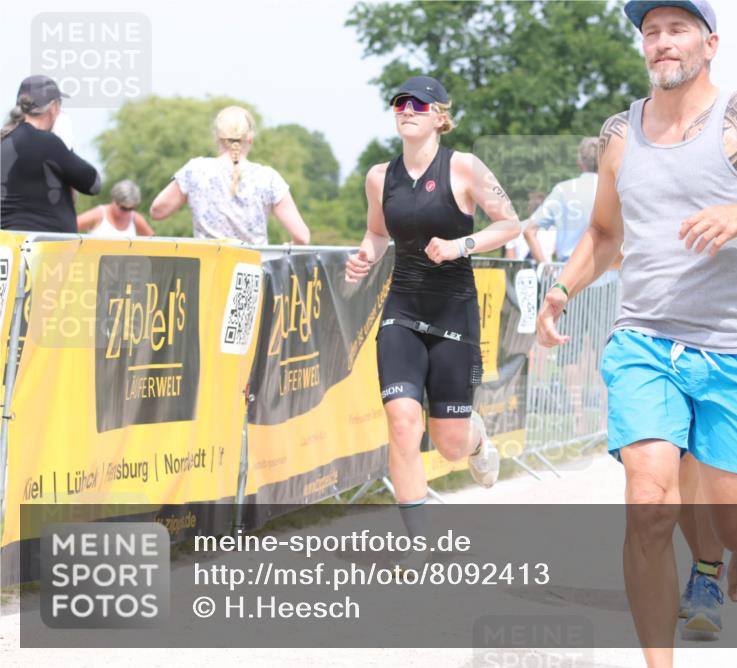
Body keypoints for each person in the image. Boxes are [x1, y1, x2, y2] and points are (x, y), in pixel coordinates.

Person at [537, 2, 737, 662]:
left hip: (734, 347)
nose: (662, 41)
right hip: (644, 341)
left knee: (734, 525)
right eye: (651, 31)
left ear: (710, 44)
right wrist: (560, 290)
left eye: (677, 29)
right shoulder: (620, 133)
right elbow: (604, 233)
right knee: (649, 505)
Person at [343, 76, 519, 544]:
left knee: (450, 444)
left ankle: (475, 438)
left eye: (418, 104)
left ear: (440, 116)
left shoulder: (465, 168)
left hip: (453, 313)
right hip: (402, 309)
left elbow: (510, 224)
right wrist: (365, 256)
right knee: (403, 422)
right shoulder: (379, 177)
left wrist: (462, 245)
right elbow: (377, 233)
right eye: (399, 103)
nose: (406, 109)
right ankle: (417, 542)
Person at [150, 106, 309, 245]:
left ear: (216, 137)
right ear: (250, 138)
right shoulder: (269, 178)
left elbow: (157, 211)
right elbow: (302, 237)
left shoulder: (195, 170)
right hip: (253, 266)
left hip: (207, 266)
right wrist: (291, 245)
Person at [1, 75, 101, 232]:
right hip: (45, 243)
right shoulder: (49, 144)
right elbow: (93, 184)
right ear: (54, 107)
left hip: (7, 241)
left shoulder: (4, 140)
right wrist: (67, 145)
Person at [522, 137, 600, 263]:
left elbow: (529, 231)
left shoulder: (562, 190)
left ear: (579, 164)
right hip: (608, 270)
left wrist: (546, 268)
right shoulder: (614, 190)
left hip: (568, 269)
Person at [77, 179, 154, 237]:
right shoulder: (98, 215)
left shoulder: (135, 218)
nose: (126, 213)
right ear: (114, 200)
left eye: (130, 209)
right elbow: (71, 227)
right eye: (123, 208)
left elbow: (154, 242)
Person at [505, 191, 556, 261]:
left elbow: (510, 258)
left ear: (529, 208)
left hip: (521, 268)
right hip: (546, 267)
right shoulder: (555, 231)